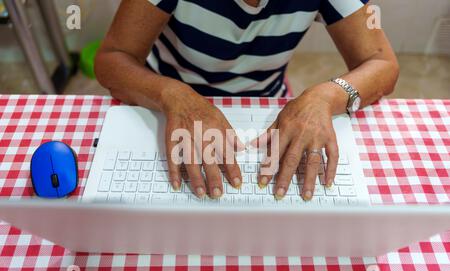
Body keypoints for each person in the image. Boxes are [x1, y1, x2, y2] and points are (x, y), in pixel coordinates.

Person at [95, 0, 399, 201]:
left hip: (267, 105)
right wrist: (171, 94)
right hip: (166, 103)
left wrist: (326, 96)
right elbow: (112, 59)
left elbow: (382, 63)